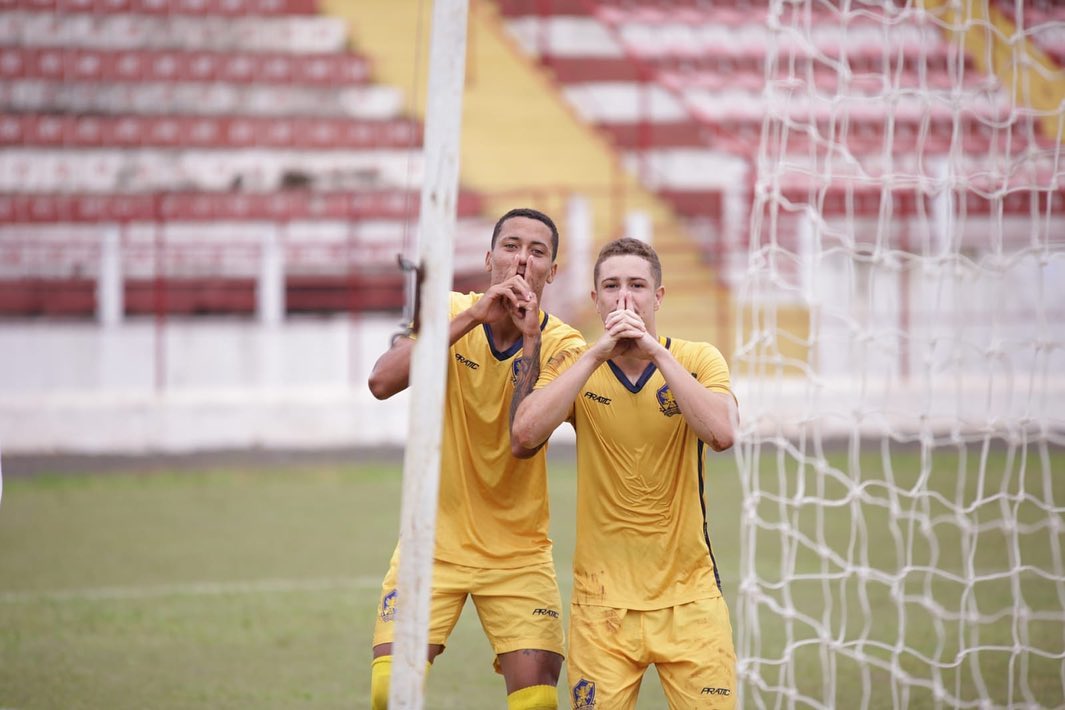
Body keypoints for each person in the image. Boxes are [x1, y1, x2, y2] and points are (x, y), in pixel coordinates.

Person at [367, 208, 585, 710]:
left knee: (536, 703)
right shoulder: (448, 310)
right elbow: (382, 382)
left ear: (551, 271)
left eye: (537, 251)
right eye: (510, 246)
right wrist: (472, 318)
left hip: (518, 552)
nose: (521, 260)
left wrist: (529, 336)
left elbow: (523, 439)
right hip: (433, 542)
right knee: (388, 692)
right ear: (488, 258)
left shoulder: (563, 344)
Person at [510, 237, 739, 709]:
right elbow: (525, 434)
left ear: (658, 296)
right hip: (602, 608)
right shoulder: (576, 363)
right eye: (611, 286)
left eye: (637, 285)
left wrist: (656, 353)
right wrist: (596, 354)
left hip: (690, 601)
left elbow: (722, 433)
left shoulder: (697, 359)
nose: (624, 298)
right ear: (595, 299)